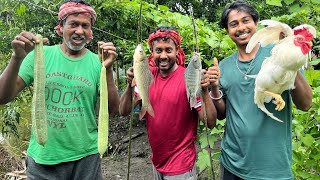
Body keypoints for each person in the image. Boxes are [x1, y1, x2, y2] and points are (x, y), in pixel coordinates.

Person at [0, 0, 120, 179]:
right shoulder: (40, 55)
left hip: (86, 157)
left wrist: (108, 70)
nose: (79, 31)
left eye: (85, 26)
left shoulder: (99, 62)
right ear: (60, 27)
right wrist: (16, 58)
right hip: (44, 158)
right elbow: (2, 96)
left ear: (91, 33)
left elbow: (113, 110)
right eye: (73, 24)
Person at [208, 0, 313, 179]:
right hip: (232, 164)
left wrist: (289, 63)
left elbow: (305, 104)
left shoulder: (277, 53)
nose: (241, 27)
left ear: (256, 23)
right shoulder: (224, 66)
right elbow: (222, 114)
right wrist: (213, 88)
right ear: (227, 31)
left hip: (273, 167)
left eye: (246, 20)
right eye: (233, 24)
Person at [119, 26, 217, 180]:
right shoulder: (146, 74)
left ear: (177, 50)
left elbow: (210, 122)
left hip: (181, 164)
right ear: (152, 52)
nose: (163, 55)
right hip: (157, 161)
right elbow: (124, 111)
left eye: (168, 50)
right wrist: (130, 84)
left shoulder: (188, 77)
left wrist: (204, 91)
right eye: (158, 50)